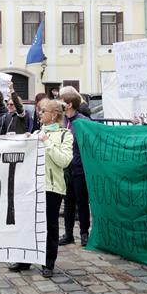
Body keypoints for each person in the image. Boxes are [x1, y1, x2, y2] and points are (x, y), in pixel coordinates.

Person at [10, 99, 73, 275]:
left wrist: (46, 141)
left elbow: (64, 160)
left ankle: (48, 263)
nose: (40, 114)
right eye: (40, 111)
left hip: (52, 186)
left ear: (53, 115)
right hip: (32, 186)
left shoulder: (64, 134)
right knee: (27, 224)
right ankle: (25, 260)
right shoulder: (37, 132)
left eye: (43, 111)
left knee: (50, 226)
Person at [57, 86, 91, 247]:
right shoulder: (62, 120)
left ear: (69, 104)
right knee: (68, 202)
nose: (58, 103)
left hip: (79, 168)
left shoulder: (83, 122)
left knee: (81, 201)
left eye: (61, 101)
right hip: (65, 168)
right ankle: (68, 233)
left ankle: (84, 233)